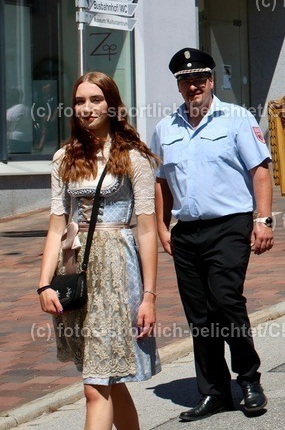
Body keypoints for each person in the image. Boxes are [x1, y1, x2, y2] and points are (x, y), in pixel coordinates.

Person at [151, 48, 273, 421]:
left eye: (200, 78)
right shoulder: (165, 128)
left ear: (212, 80)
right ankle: (214, 391)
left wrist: (264, 220)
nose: (194, 86)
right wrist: (160, 226)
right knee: (200, 316)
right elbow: (160, 182)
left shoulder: (236, 119)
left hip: (229, 225)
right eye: (186, 80)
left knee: (226, 301)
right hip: (187, 232)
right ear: (178, 85)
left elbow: (261, 170)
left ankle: (249, 380)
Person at [37, 72, 160, 430]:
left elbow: (148, 229)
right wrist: (44, 283)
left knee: (95, 386)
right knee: (108, 379)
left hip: (119, 268)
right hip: (76, 268)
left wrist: (149, 296)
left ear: (112, 105)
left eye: (95, 100)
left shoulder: (133, 157)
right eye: (79, 101)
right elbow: (57, 225)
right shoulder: (64, 157)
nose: (86, 108)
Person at [6, 86, 34, 154]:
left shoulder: (10, 111)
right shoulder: (27, 109)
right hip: (28, 140)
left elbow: (6, 126)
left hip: (16, 139)